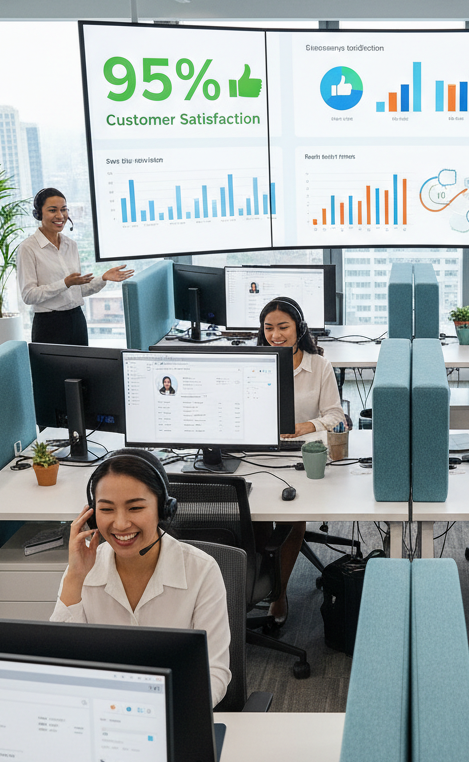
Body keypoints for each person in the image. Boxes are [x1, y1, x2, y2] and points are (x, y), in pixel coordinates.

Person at [50, 449, 231, 705]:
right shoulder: (81, 571)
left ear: (164, 509)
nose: (121, 524)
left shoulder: (201, 571)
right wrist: (75, 577)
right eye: (106, 509)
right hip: (103, 712)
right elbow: (60, 666)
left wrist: (168, 712)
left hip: (176, 710)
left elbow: (214, 673)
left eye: (135, 508)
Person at [256, 297, 345, 624]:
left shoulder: (318, 365)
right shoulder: (254, 363)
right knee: (254, 516)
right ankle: (256, 583)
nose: (275, 335)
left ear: (299, 329)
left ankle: (278, 594)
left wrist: (306, 426)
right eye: (269, 328)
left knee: (292, 518)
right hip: (258, 452)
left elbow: (336, 416)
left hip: (302, 455)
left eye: (283, 327)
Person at [17, 188, 134, 346]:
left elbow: (76, 291)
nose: (60, 216)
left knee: (83, 363)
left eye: (64, 209)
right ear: (38, 213)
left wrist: (103, 278)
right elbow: (29, 296)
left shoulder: (70, 245)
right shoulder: (28, 248)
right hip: (49, 325)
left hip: (77, 320)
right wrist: (65, 283)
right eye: (53, 210)